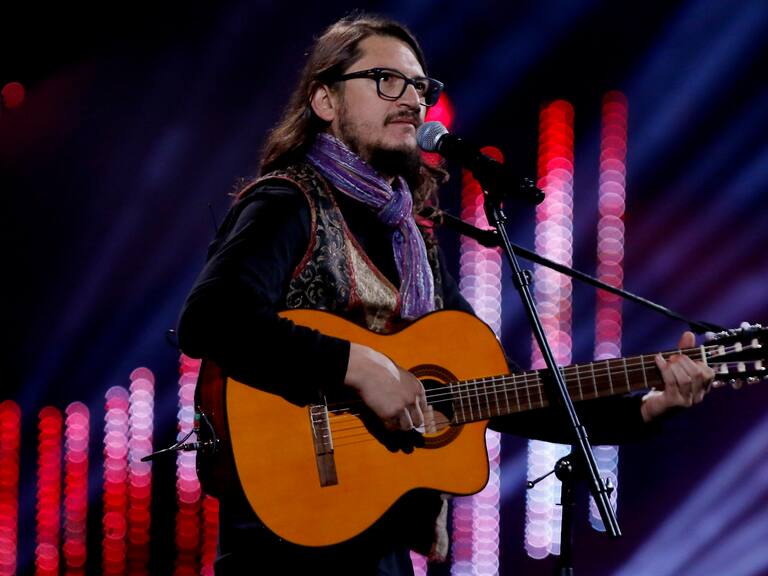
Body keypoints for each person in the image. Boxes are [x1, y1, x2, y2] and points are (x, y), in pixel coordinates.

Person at [177, 13, 715, 575]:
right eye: (386, 79)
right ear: (325, 101)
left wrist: (648, 406)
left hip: (378, 539)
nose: (411, 99)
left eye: (419, 86)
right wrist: (358, 366)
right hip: (284, 546)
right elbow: (213, 318)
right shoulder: (288, 203)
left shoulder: (412, 237)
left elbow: (502, 391)